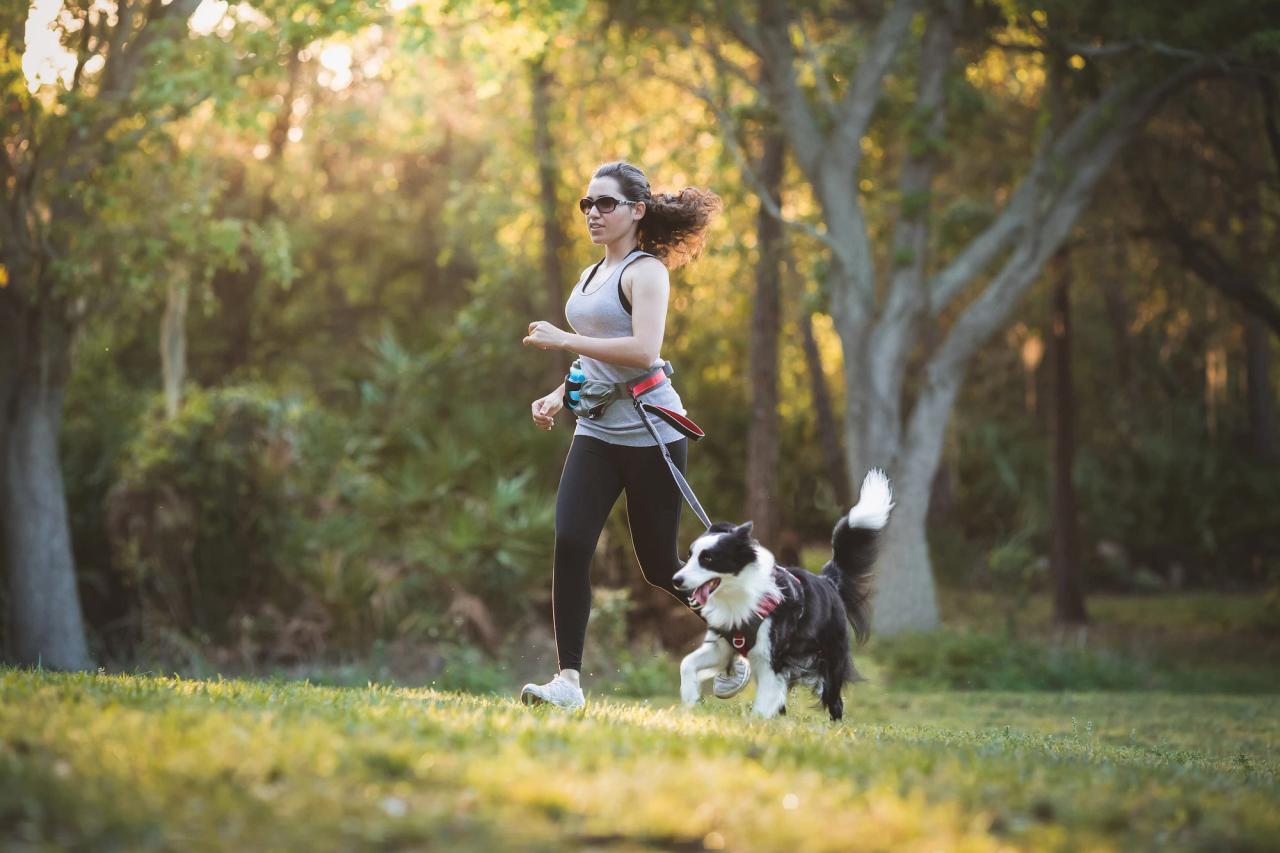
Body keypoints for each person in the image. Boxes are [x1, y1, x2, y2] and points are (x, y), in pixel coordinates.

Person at [518, 160, 747, 710]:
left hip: (652, 433)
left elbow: (644, 351)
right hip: (596, 432)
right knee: (571, 543)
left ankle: (742, 639)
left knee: (659, 564)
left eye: (606, 204)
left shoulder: (646, 272)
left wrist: (565, 340)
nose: (593, 214)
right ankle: (568, 683)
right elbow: (595, 363)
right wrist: (560, 393)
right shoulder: (592, 273)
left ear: (636, 210)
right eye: (587, 204)